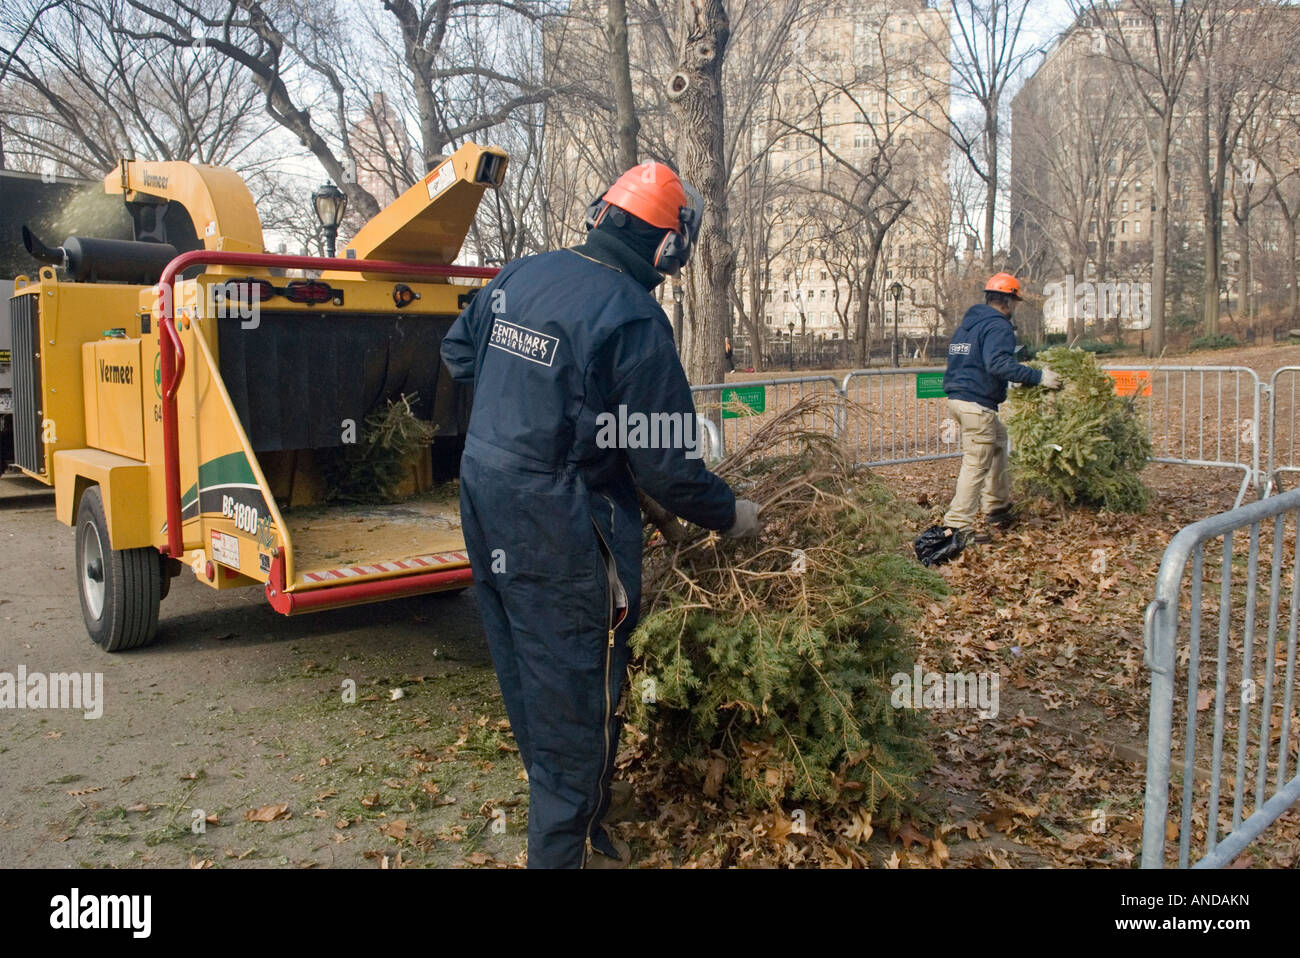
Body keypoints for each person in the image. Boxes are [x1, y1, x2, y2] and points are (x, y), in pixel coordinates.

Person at [440, 160, 762, 869]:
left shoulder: (521, 274)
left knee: (528, 675)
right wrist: (733, 513)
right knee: (578, 698)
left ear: (600, 214)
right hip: (560, 525)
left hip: (487, 501)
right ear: (667, 248)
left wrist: (531, 399)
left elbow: (460, 353)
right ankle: (563, 850)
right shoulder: (632, 315)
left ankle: (580, 814)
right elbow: (670, 468)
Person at [940, 273, 1062, 539]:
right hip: (977, 404)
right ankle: (957, 526)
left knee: (998, 442)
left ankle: (997, 506)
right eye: (1015, 302)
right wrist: (1039, 377)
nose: (1014, 308)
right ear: (1007, 301)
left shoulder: (967, 327)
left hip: (959, 399)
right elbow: (997, 364)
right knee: (976, 463)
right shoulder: (998, 326)